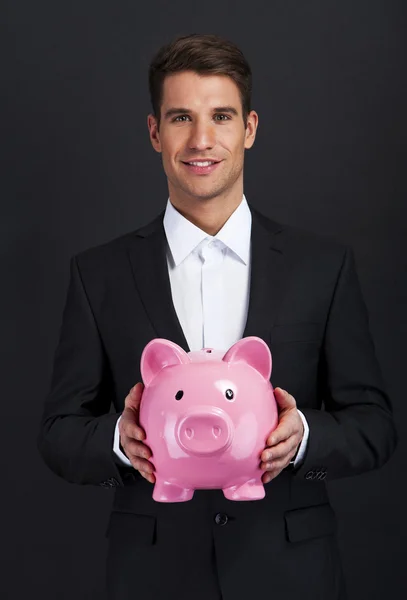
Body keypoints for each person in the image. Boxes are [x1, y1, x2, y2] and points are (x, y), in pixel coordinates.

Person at [37, 33, 398, 600]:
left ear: (249, 128)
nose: (201, 140)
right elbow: (58, 432)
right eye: (181, 117)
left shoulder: (321, 267)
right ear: (155, 132)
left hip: (290, 572)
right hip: (152, 576)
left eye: (221, 116)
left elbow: (375, 426)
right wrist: (118, 441)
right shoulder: (98, 273)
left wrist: (303, 438)